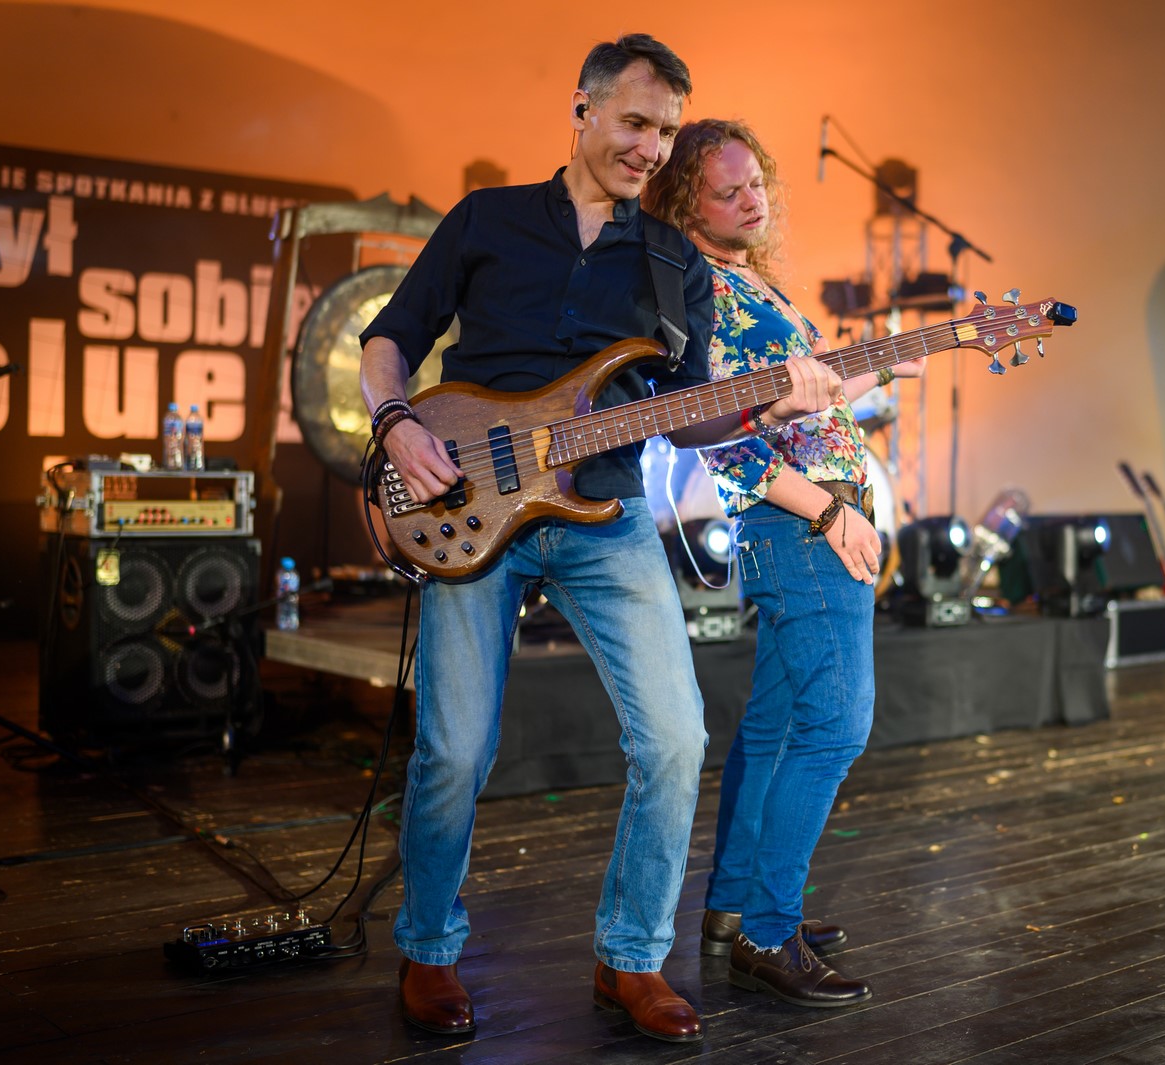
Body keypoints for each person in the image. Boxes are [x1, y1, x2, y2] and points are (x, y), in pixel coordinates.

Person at [358, 37, 842, 1043]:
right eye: (635, 123)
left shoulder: (672, 261)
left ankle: (631, 959)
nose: (650, 148)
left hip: (605, 515)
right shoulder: (488, 219)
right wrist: (396, 425)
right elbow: (391, 336)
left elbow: (691, 415)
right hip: (475, 504)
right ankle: (429, 949)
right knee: (454, 749)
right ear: (582, 109)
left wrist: (770, 402)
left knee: (674, 738)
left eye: (665, 132)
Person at [643, 119, 922, 1007]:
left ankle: (736, 906)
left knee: (773, 725)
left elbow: (811, 405)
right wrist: (831, 511)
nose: (751, 199)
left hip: (809, 514)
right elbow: (722, 441)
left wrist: (889, 365)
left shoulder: (750, 283)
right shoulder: (702, 290)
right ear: (687, 203)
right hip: (800, 524)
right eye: (727, 191)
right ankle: (769, 931)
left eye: (756, 182)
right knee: (835, 725)